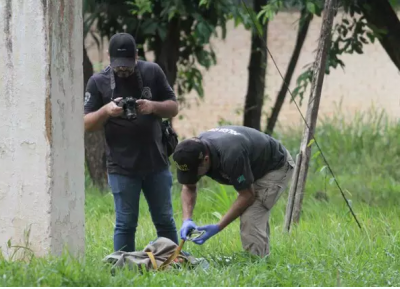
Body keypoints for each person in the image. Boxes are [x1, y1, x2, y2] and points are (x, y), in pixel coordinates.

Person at [84, 32, 179, 252]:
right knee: (125, 223)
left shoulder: (152, 72)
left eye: (128, 65)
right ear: (108, 57)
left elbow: (173, 107)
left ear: (137, 55)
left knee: (165, 220)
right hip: (121, 166)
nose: (123, 70)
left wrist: (153, 106)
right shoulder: (98, 82)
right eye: (118, 66)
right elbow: (86, 124)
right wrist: (106, 111)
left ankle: (173, 262)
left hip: (156, 161)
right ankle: (123, 269)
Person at [172, 125, 295, 257]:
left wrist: (218, 227)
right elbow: (188, 186)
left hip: (274, 166)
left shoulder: (232, 155)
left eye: (194, 172)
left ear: (206, 160)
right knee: (251, 213)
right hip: (251, 163)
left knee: (251, 215)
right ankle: (261, 255)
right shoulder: (192, 151)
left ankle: (258, 265)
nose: (192, 177)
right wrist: (187, 220)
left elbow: (247, 196)